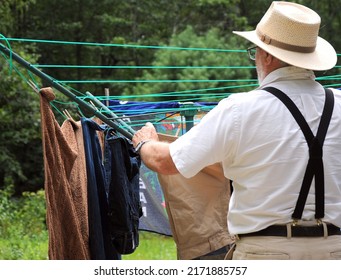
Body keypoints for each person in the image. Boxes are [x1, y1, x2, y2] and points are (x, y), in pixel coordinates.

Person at [132, 1, 341, 259]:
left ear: (267, 55)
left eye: (255, 51)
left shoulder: (240, 109)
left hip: (265, 256)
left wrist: (146, 142)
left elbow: (165, 162)